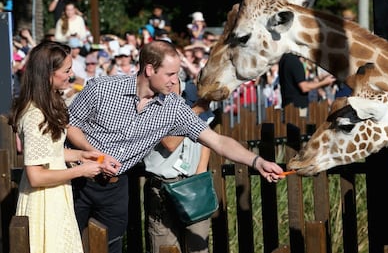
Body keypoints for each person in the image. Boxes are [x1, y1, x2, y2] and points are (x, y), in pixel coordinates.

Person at [66, 40, 285, 253]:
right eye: (170, 74)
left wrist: (258, 161)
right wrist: (94, 154)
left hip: (114, 188)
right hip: (74, 180)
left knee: (108, 247)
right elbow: (70, 124)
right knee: (66, 244)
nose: (175, 80)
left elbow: (217, 141)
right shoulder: (102, 89)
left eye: (177, 74)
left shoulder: (173, 108)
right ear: (150, 69)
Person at [8, 41, 105, 253]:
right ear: (48, 73)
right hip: (43, 200)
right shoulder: (35, 115)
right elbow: (36, 175)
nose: (71, 75)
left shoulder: (47, 105)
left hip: (55, 195)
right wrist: (80, 170)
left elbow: (49, 152)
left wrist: (82, 154)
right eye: (67, 70)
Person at [144, 79, 214, 253]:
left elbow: (206, 136)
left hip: (193, 183)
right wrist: (196, 110)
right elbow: (169, 143)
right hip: (163, 186)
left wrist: (200, 172)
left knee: (198, 248)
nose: (172, 81)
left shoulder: (191, 98)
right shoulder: (150, 103)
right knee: (165, 248)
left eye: (175, 76)